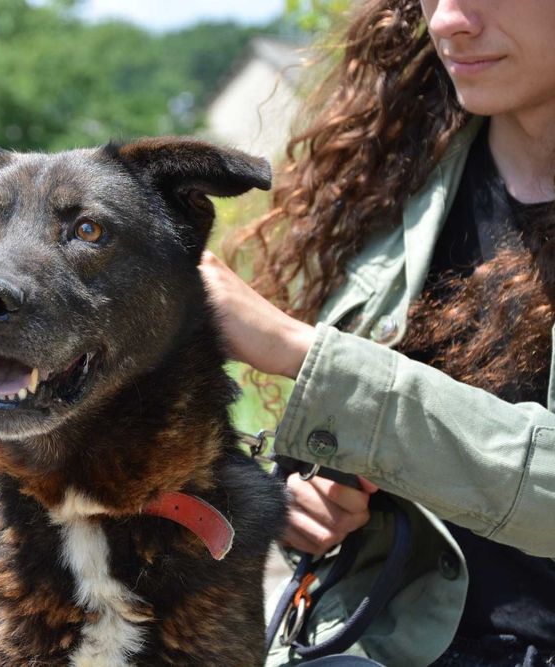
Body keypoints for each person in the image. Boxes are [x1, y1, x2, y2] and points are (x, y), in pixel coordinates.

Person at [199, 0, 555, 665]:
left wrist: (301, 353)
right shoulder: (397, 176)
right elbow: (346, 475)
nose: (448, 19)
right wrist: (308, 503)